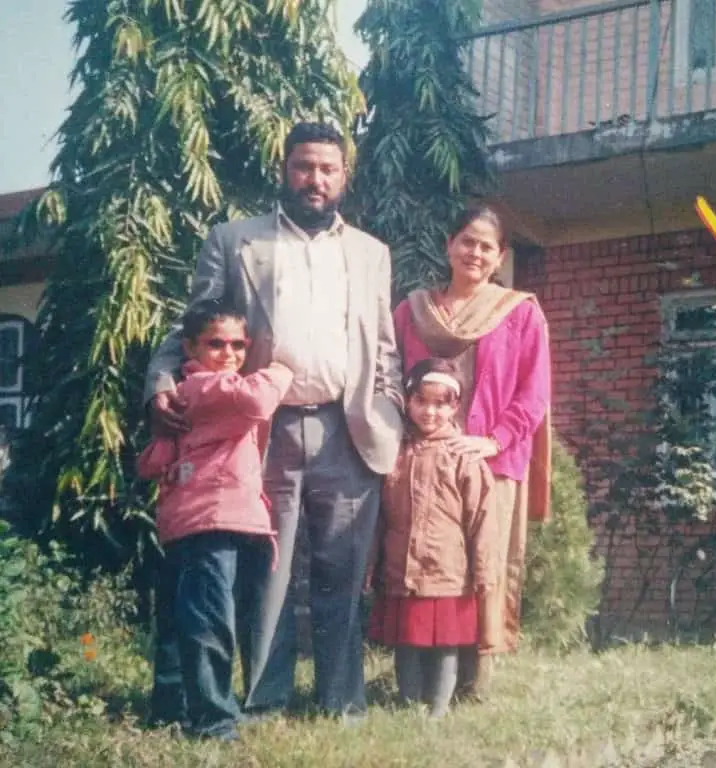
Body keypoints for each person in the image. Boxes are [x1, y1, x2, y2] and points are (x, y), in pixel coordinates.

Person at [144, 122, 404, 721]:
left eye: (328, 169)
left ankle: (344, 702)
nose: (316, 179)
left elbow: (384, 345)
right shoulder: (236, 241)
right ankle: (266, 698)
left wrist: (388, 411)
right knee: (269, 575)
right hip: (260, 434)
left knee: (344, 572)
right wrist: (162, 382)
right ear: (284, 170)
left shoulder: (370, 253)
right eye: (304, 167)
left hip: (348, 427)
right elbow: (195, 325)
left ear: (344, 177)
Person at [392, 205, 552, 698]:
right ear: (449, 245)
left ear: (501, 255)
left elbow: (534, 391)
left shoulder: (520, 312)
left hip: (488, 462)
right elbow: (386, 377)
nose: (475, 253)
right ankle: (419, 678)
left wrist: (495, 439)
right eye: (467, 241)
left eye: (486, 246)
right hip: (422, 465)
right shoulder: (414, 311)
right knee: (427, 565)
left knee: (483, 566)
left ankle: (473, 683)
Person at [137, 300, 295, 741]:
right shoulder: (208, 387)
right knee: (210, 622)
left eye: (239, 346)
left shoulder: (187, 394)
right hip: (213, 518)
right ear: (189, 347)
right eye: (216, 344)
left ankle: (171, 708)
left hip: (191, 518)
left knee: (180, 618)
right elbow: (260, 400)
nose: (229, 354)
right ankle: (214, 722)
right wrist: (282, 368)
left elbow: (154, 460)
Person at [367, 359, 497, 719]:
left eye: (441, 403)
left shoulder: (464, 457)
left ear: (455, 406)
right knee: (406, 642)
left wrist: (484, 574)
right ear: (407, 401)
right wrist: (372, 565)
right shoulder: (395, 451)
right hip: (401, 569)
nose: (430, 411)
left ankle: (438, 710)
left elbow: (482, 520)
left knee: (445, 645)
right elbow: (378, 517)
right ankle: (409, 706)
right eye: (421, 401)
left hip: (448, 574)